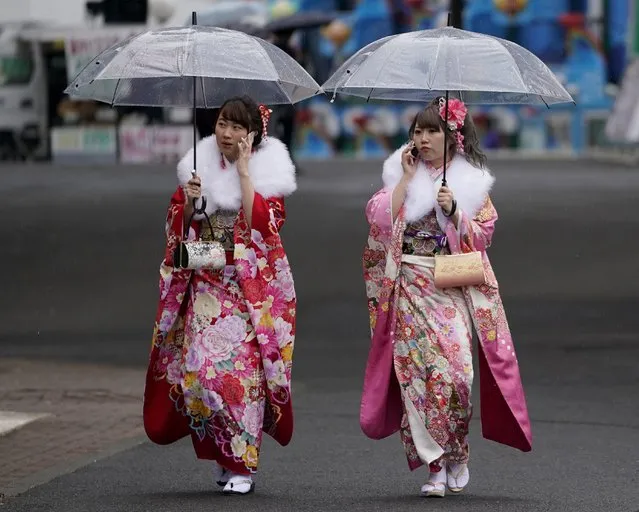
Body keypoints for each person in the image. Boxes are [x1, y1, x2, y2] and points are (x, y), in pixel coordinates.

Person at [360, 97, 532, 497]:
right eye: (417, 130)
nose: (422, 138)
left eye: (431, 130)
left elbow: (483, 235)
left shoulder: (470, 181)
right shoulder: (400, 170)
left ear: (452, 135)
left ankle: (456, 452)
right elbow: (378, 220)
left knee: (456, 375)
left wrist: (455, 210)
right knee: (415, 377)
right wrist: (404, 181)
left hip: (449, 285)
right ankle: (434, 467)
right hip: (408, 284)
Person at [143, 95, 298, 495]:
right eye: (222, 124)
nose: (226, 133)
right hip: (207, 289)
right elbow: (177, 227)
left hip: (248, 291)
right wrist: (192, 203)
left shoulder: (268, 174)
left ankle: (242, 464)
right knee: (201, 376)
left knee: (241, 379)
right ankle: (223, 453)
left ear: (252, 136)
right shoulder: (199, 168)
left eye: (236, 127)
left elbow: (265, 226)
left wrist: (245, 173)